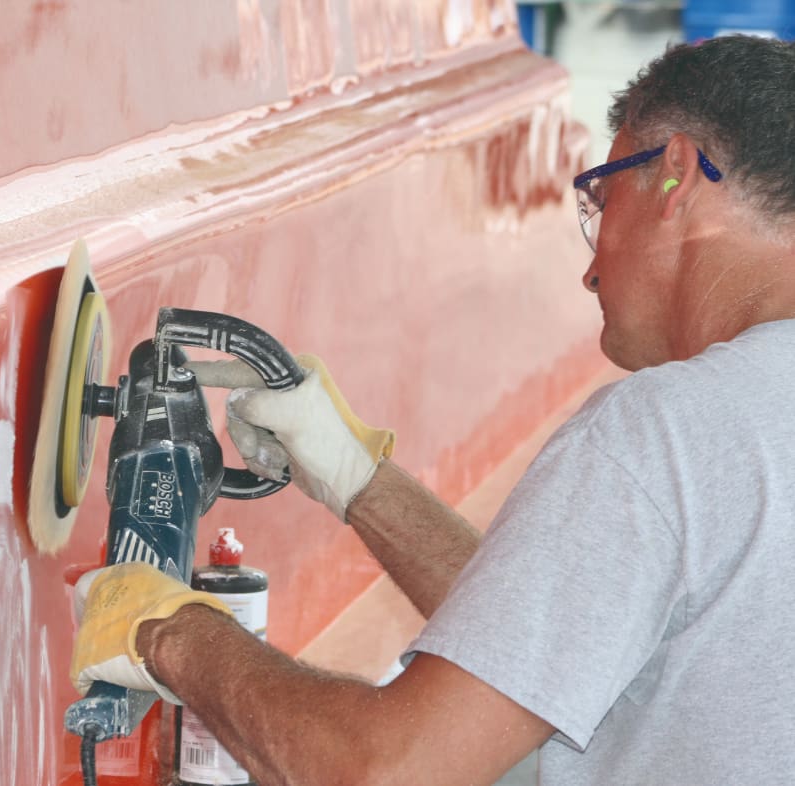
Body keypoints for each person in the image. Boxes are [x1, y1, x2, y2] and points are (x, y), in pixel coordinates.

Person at [71, 35, 795, 784]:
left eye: (602, 202)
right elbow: (549, 635)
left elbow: (386, 773)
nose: (590, 271)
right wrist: (357, 480)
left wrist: (169, 633)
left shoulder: (664, 433)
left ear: (676, 177)